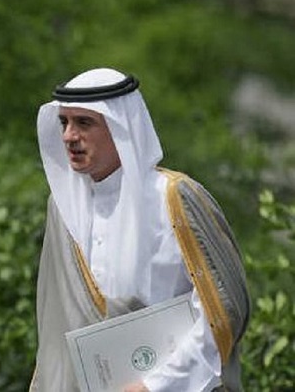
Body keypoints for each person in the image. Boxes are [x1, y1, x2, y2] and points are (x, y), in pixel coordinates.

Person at [29, 68, 250, 391]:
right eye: (64, 123)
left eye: (84, 123)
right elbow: (56, 324)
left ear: (121, 126)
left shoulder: (174, 197)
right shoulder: (62, 207)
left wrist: (154, 385)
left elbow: (222, 311)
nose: (69, 136)